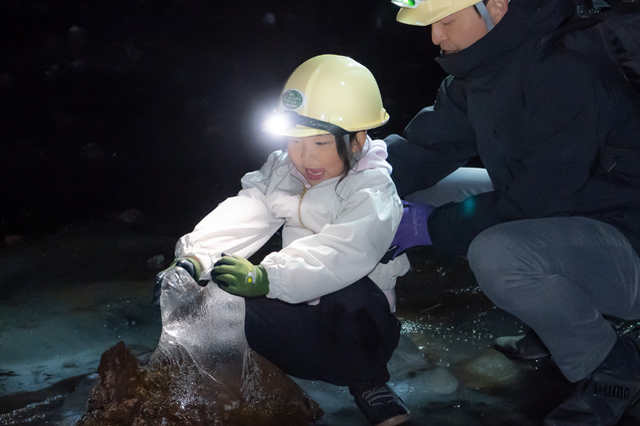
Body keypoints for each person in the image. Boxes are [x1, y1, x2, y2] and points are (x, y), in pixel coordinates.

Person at [385, 0, 640, 424]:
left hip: (625, 240)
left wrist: (432, 227)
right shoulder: (484, 64)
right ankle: (555, 325)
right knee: (425, 192)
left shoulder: (566, 65)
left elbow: (542, 197)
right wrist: (348, 179)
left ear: (497, 7)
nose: (434, 35)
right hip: (575, 212)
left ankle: (612, 365)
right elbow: (429, 148)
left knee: (499, 253)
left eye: (445, 20)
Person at [156, 54, 412, 426]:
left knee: (351, 294)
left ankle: (370, 385)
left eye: (321, 143)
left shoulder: (372, 189)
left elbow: (341, 252)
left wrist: (267, 278)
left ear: (356, 140)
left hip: (353, 336)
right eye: (294, 140)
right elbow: (248, 208)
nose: (304, 156)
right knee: (217, 295)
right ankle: (238, 384)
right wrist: (196, 259)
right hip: (298, 317)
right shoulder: (284, 168)